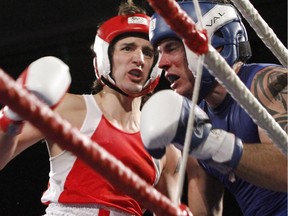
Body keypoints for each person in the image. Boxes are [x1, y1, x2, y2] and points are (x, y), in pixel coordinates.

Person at [0, 1, 182, 216]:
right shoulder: (68, 108)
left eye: (148, 52)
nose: (139, 59)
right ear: (105, 57)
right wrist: (11, 117)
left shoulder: (165, 148)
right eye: (127, 48)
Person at [140, 0, 287, 215]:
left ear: (214, 43)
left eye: (171, 48)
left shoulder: (270, 82)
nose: (161, 63)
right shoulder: (195, 119)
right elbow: (206, 206)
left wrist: (213, 144)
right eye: (159, 52)